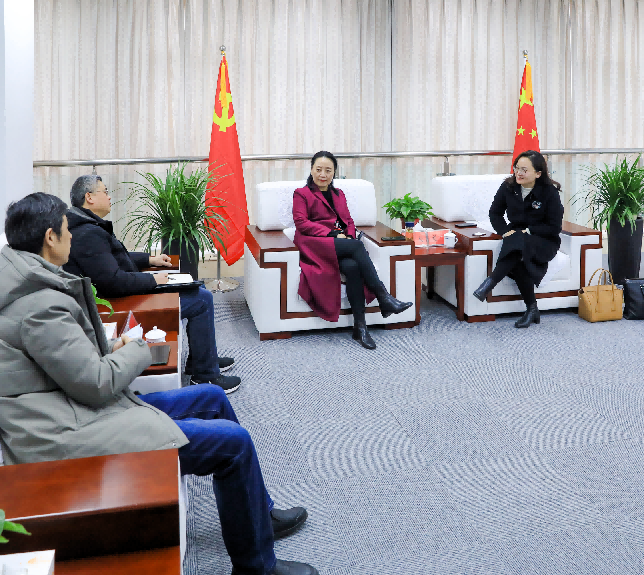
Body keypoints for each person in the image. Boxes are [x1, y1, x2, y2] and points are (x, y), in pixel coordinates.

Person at [0, 193, 316, 575]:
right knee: (234, 443)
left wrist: (109, 349)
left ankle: (258, 515)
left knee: (212, 396)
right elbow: (96, 384)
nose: (71, 238)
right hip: (70, 432)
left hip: (78, 409)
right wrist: (137, 349)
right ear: (50, 238)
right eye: (66, 230)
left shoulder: (29, 288)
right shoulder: (39, 307)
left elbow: (68, 365)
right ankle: (256, 567)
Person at [63, 175, 240, 393]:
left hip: (123, 291)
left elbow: (114, 258)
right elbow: (113, 282)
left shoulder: (86, 225)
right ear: (89, 197)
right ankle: (205, 376)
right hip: (118, 303)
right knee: (201, 300)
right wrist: (153, 279)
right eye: (105, 192)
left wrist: (150, 259)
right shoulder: (87, 234)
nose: (109, 197)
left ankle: (202, 360)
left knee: (197, 287)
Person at [292, 151, 412, 349]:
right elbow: (301, 223)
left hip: (339, 244)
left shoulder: (339, 194)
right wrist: (333, 234)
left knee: (353, 267)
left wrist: (348, 235)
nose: (323, 174)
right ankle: (384, 297)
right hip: (315, 245)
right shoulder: (301, 193)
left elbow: (348, 220)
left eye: (328, 170)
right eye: (319, 169)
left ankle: (360, 327)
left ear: (334, 172)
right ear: (311, 170)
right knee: (357, 245)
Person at [472, 150, 565, 328]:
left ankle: (491, 281)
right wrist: (504, 231)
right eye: (516, 168)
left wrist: (528, 231)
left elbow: (554, 227)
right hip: (516, 238)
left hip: (544, 240)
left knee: (518, 242)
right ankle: (532, 309)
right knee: (518, 254)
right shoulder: (508, 186)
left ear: (538, 173)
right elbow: (495, 213)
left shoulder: (549, 193)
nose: (518, 173)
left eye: (524, 170)